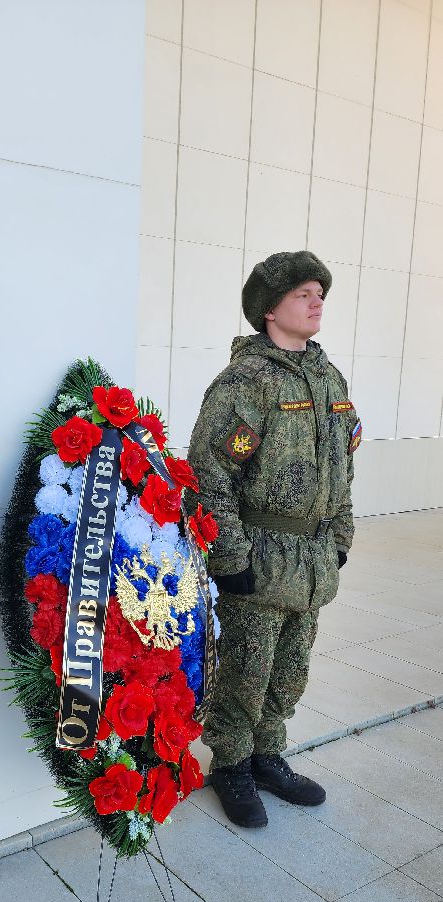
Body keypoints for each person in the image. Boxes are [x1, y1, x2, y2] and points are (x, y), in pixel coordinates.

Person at [187, 251, 360, 828]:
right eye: (303, 294)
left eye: (320, 294)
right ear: (268, 309)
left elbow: (344, 466)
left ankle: (267, 755)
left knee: (289, 669)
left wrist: (339, 536)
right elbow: (212, 472)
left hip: (311, 561)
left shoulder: (329, 378)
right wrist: (229, 555)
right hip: (259, 557)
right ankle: (231, 763)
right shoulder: (246, 381)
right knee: (246, 669)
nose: (317, 302)